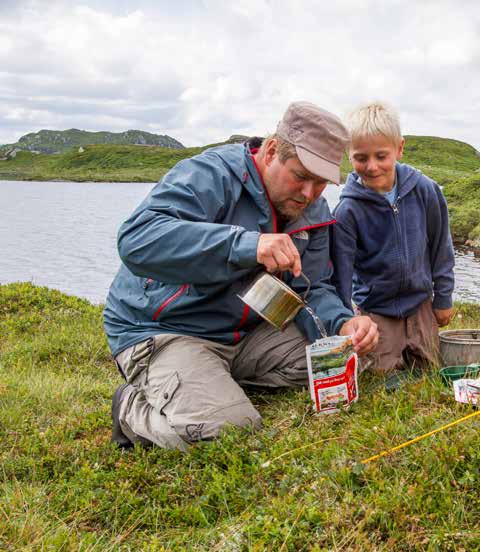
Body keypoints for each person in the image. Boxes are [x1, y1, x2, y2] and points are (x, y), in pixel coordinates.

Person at [103, 101, 378, 450]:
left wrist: (342, 323)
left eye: (321, 183)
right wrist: (246, 245)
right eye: (301, 176)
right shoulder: (210, 175)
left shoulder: (313, 210)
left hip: (245, 334)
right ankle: (131, 407)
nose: (309, 194)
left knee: (349, 357)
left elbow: (312, 288)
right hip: (166, 331)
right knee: (229, 432)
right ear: (272, 150)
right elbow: (137, 239)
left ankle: (210, 383)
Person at [331, 102, 454, 375]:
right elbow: (340, 274)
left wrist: (443, 298)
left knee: (429, 369)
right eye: (361, 158)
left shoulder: (426, 190)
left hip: (422, 304)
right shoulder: (346, 211)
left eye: (381, 156)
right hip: (376, 310)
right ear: (348, 155)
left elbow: (441, 247)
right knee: (379, 375)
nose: (372, 166)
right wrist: (347, 321)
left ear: (399, 148)